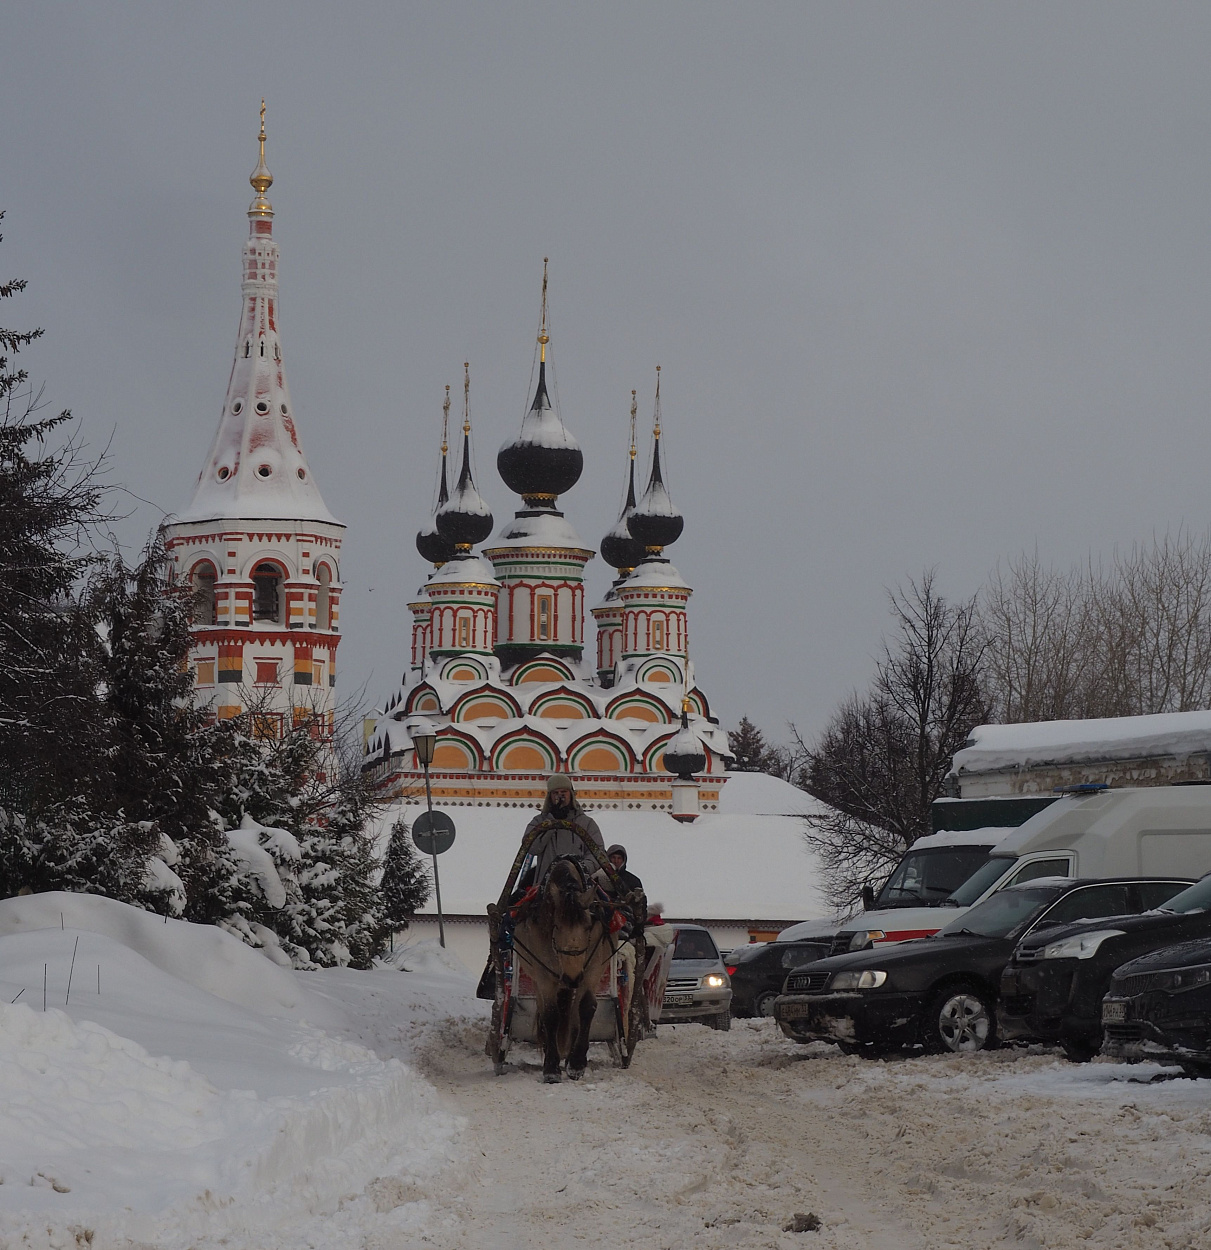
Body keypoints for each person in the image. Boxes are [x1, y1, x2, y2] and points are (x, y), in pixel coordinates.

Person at [512, 773, 605, 895]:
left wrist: (579, 868)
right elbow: (531, 848)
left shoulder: (586, 823)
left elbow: (598, 853)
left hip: (579, 885)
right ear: (549, 797)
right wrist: (551, 822)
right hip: (545, 886)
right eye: (555, 793)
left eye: (563, 792)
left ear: (571, 794)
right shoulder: (539, 822)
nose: (560, 797)